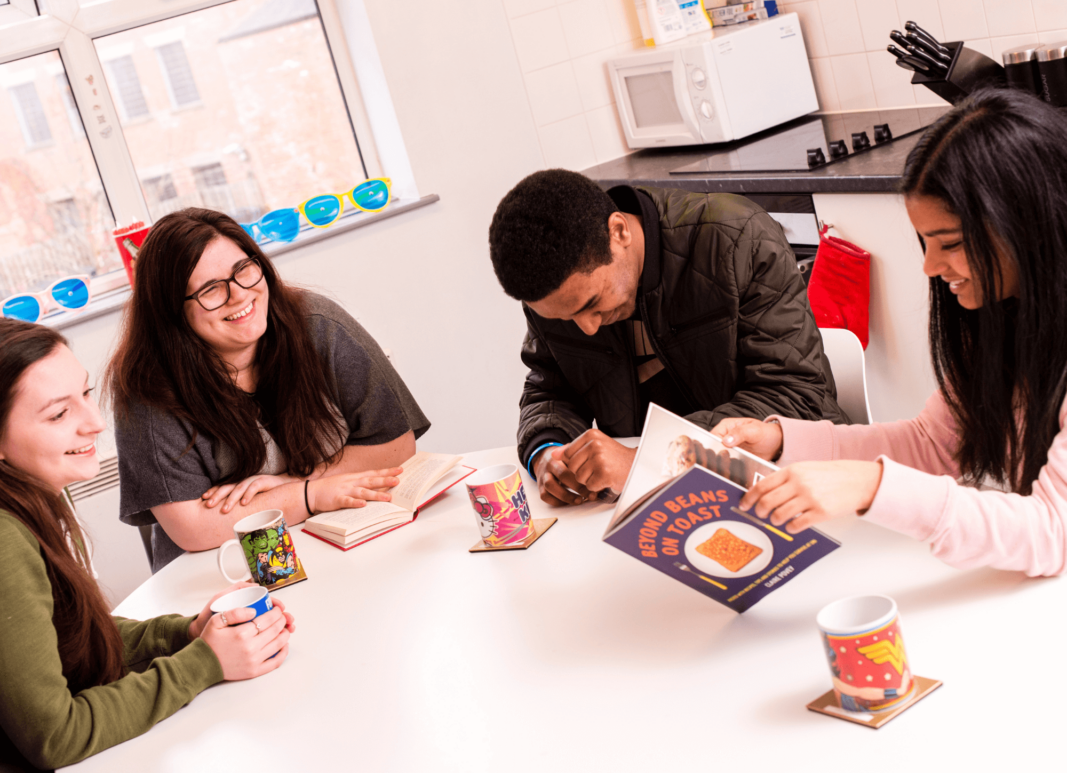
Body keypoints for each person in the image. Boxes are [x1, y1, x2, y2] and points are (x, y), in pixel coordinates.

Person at [714, 88, 1067, 577]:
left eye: (950, 243)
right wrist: (781, 442)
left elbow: (1053, 531)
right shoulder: (1006, 313)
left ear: (1026, 225)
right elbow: (934, 443)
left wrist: (872, 486)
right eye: (925, 242)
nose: (929, 266)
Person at [0, 319, 295, 773]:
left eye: (85, 394)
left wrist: (186, 634)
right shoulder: (5, 538)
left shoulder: (32, 497)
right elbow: (56, 735)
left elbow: (61, 638)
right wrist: (203, 664)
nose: (95, 423)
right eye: (58, 414)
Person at [489, 169, 846, 507]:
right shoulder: (559, 295)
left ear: (619, 232)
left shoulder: (738, 238)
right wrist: (547, 452)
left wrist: (651, 457)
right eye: (565, 318)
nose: (587, 327)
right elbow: (549, 388)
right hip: (654, 499)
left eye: (593, 304)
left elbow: (796, 396)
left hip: (791, 482)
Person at [106, 208, 430, 572]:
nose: (239, 295)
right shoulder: (146, 388)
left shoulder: (320, 325)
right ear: (171, 312)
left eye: (243, 269)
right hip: (221, 572)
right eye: (211, 289)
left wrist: (290, 483)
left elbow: (395, 445)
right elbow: (193, 528)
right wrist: (308, 495)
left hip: (342, 542)